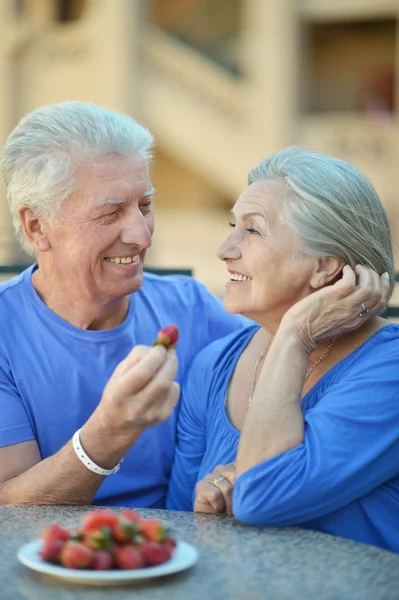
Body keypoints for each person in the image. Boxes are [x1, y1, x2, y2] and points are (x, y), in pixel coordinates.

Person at [0, 101, 247, 508]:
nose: (141, 235)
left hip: (184, 552)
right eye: (111, 212)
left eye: (145, 206)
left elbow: (288, 378)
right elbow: (9, 510)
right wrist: (109, 433)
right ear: (36, 226)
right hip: (52, 561)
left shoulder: (192, 306)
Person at [167, 147, 399, 553]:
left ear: (325, 267)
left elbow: (260, 499)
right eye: (232, 225)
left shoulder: (389, 370)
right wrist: (208, 510)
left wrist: (294, 333)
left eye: (252, 230)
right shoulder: (213, 365)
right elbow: (179, 526)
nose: (225, 248)